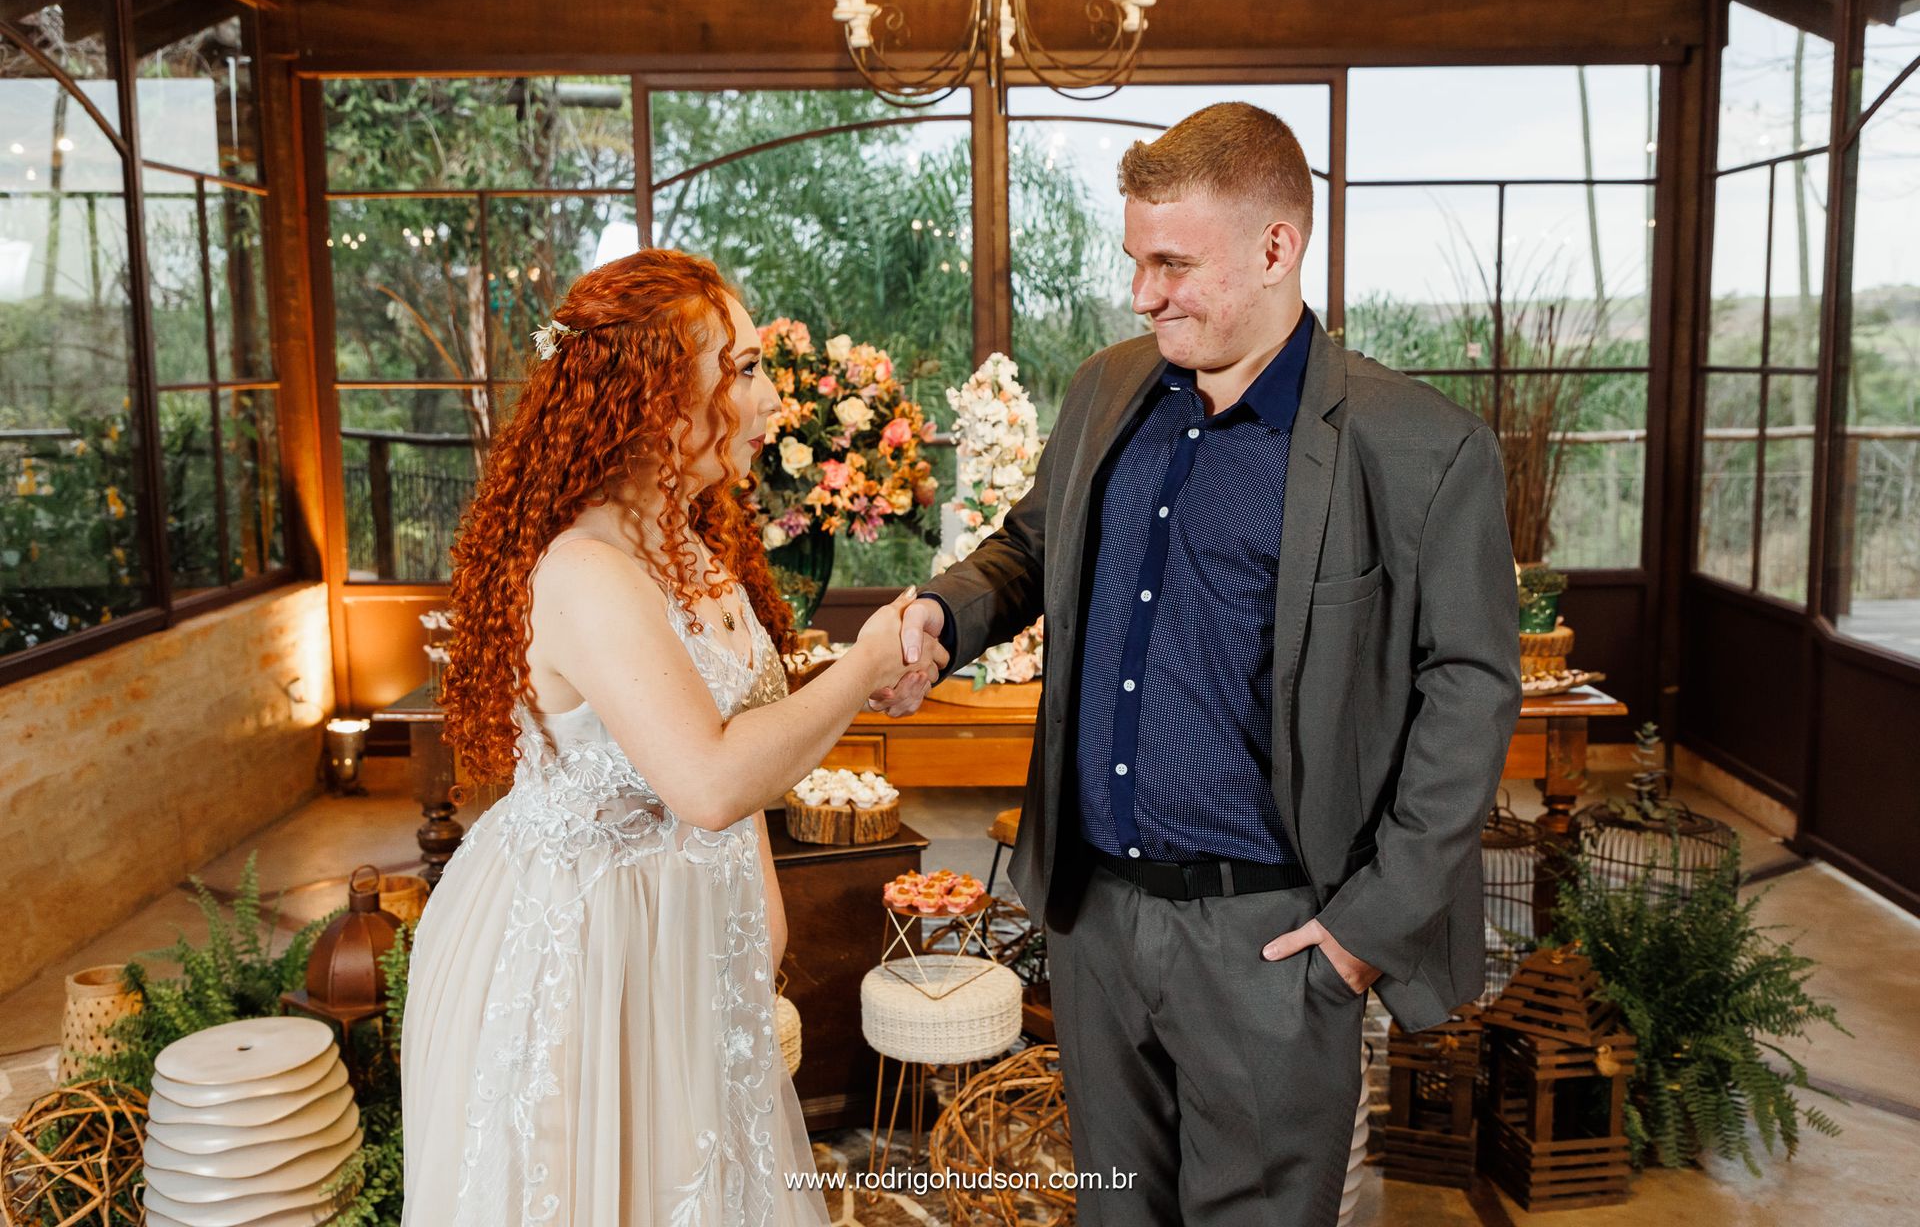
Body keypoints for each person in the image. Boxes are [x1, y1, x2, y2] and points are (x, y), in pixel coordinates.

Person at [869, 102, 1522, 1224]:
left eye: (1174, 262)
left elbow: (1470, 691)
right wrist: (942, 607)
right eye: (1136, 259)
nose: (1144, 291)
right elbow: (1031, 543)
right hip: (1094, 923)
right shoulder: (1108, 388)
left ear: (1278, 247)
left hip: (1271, 939)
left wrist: (1361, 936)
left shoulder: (1422, 447)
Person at [403, 248, 943, 1225]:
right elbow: (707, 778)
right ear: (652, 392)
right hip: (596, 956)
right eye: (740, 367)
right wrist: (862, 667)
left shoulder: (688, 536)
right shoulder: (588, 569)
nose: (770, 398)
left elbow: (724, 742)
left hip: (689, 937)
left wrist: (759, 913)